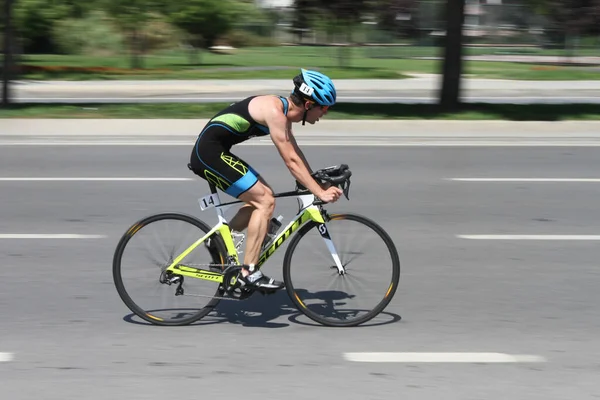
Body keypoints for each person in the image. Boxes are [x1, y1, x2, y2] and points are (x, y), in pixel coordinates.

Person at [188, 68, 343, 291]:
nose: (325, 113)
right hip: (208, 154)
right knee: (265, 201)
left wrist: (313, 180)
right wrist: (319, 192)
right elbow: (290, 160)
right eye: (324, 108)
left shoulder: (284, 112)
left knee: (262, 201)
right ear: (309, 104)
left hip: (218, 151)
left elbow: (295, 152)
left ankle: (218, 242)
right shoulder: (275, 111)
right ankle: (248, 272)